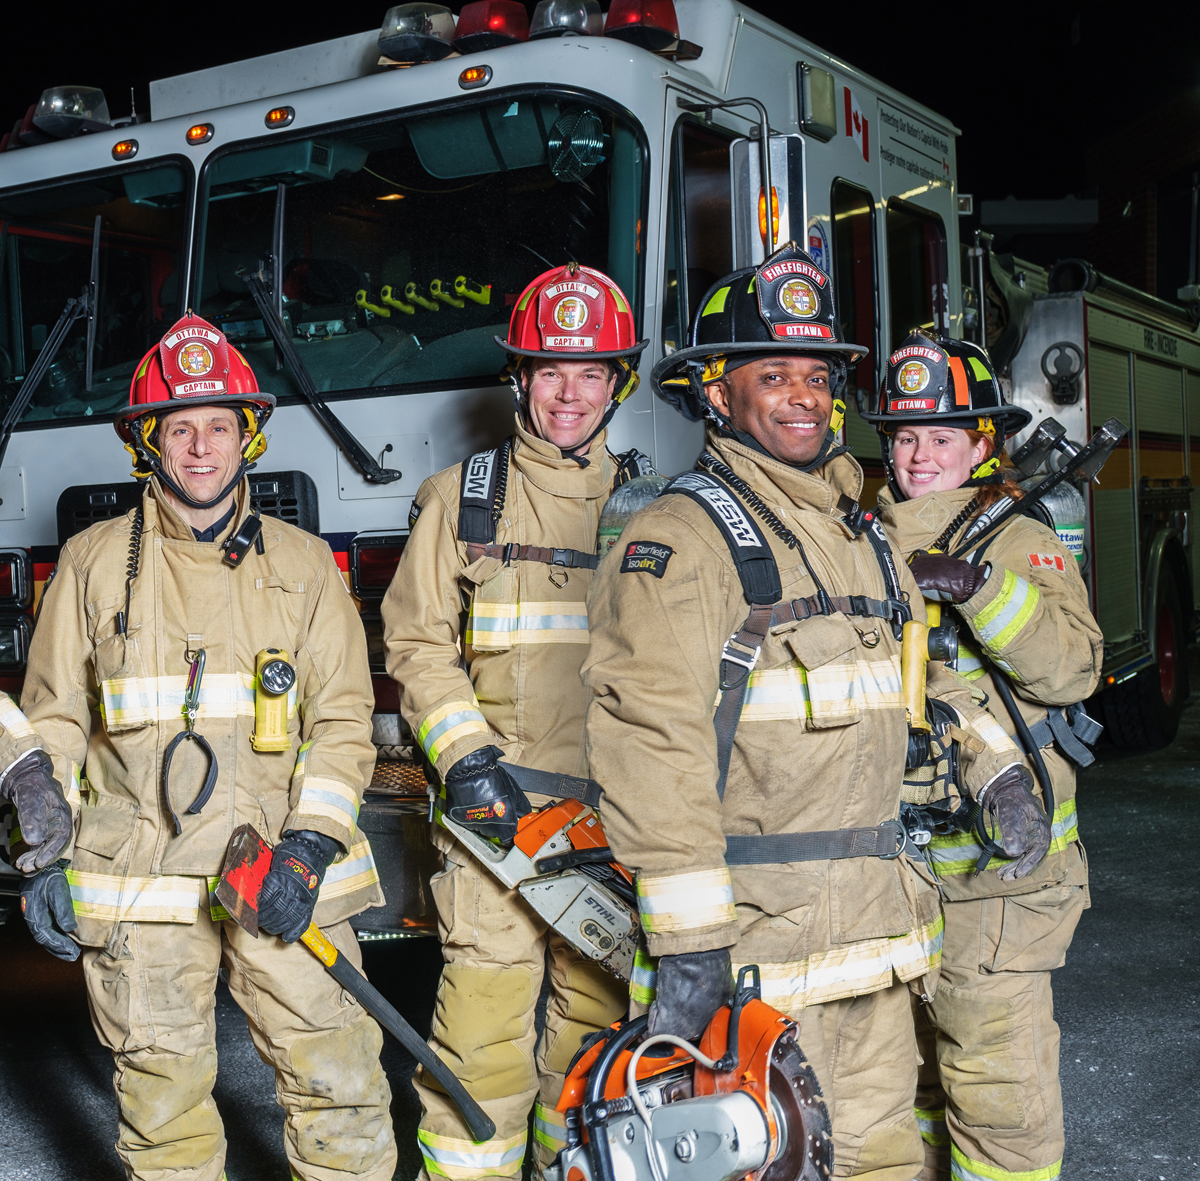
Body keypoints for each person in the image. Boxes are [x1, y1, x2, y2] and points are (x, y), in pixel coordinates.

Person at [581, 243, 1037, 1180]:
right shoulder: (680, 539)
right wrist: (690, 946)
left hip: (876, 944)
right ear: (716, 392)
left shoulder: (856, 530)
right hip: (755, 962)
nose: (802, 396)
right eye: (773, 373)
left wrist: (998, 777)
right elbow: (649, 743)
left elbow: (929, 677)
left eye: (818, 375)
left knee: (882, 1160)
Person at [19, 313, 396, 1181]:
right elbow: (51, 726)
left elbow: (343, 720)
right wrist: (39, 857)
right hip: (142, 885)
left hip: (280, 873)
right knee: (161, 1105)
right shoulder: (88, 564)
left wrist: (308, 847)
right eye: (180, 428)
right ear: (147, 442)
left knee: (338, 1081)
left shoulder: (305, 566)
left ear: (246, 436)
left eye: (219, 425)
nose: (200, 449)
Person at [383, 262, 649, 1181]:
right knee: (480, 1042)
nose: (568, 393)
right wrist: (467, 760)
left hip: (614, 829)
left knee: (594, 1044)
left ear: (620, 382)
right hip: (495, 818)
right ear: (521, 380)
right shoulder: (467, 496)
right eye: (549, 371)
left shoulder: (656, 507)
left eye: (589, 372)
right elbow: (415, 641)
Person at [867, 331, 1103, 1181]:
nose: (919, 454)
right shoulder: (863, 538)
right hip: (898, 872)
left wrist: (979, 588)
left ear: (981, 444)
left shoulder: (1017, 536)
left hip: (1003, 878)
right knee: (908, 1091)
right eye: (903, 435)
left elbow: (1075, 666)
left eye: (941, 436)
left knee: (999, 1101)